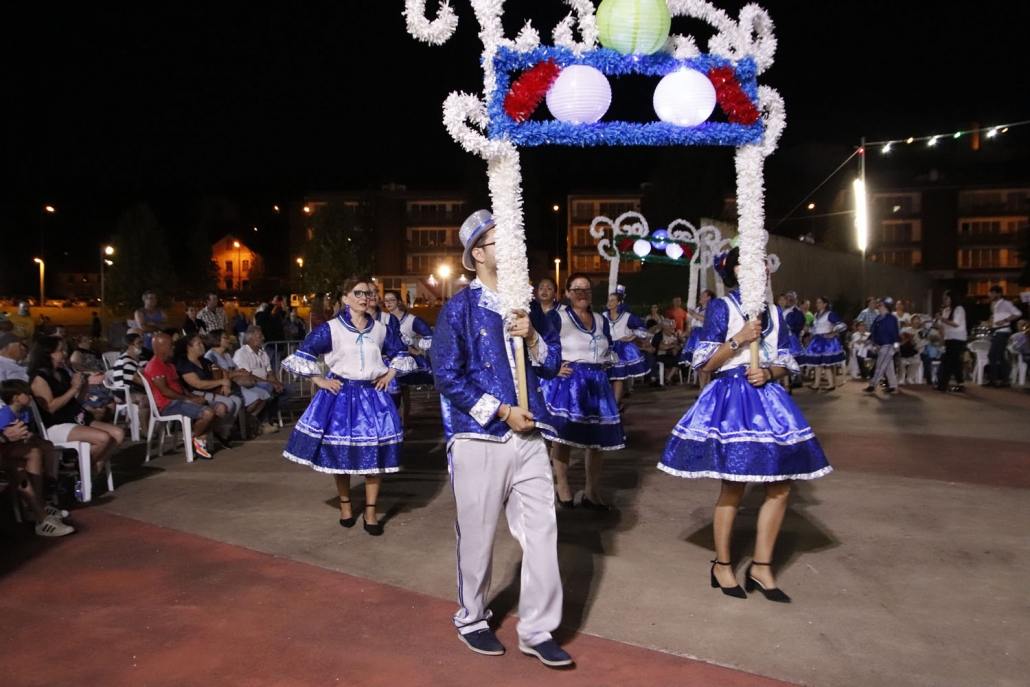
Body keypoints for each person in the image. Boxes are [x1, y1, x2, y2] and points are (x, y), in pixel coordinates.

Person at [431, 209, 571, 667]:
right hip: (478, 436)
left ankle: (537, 629)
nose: (512, 250)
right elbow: (446, 375)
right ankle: (472, 618)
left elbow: (551, 364)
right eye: (499, 242)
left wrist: (532, 338)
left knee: (543, 532)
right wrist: (502, 411)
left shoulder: (525, 305)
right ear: (477, 254)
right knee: (477, 534)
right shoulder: (459, 308)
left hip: (529, 435)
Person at [659, 248, 831, 602]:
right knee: (734, 485)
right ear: (735, 272)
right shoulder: (722, 307)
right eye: (749, 264)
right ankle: (722, 565)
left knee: (780, 486)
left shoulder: (777, 313)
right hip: (732, 400)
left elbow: (788, 361)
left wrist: (769, 372)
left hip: (769, 399)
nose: (760, 268)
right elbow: (705, 363)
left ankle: (761, 567)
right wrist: (740, 338)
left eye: (762, 264)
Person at [282, 275, 415, 536]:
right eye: (358, 293)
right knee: (340, 457)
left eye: (368, 293)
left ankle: (370, 512)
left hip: (373, 397)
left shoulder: (381, 329)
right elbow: (303, 354)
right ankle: (345, 506)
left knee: (375, 457)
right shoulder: (331, 328)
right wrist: (320, 380)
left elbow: (401, 353)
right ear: (345, 298)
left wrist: (389, 374)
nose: (364, 298)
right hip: (340, 397)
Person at [546, 273, 624, 511]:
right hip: (570, 383)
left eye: (586, 289)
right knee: (564, 437)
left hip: (597, 382)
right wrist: (553, 368)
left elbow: (609, 347)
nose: (582, 294)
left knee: (597, 441)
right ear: (567, 293)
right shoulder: (557, 317)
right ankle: (563, 487)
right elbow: (540, 345)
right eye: (576, 289)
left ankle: (592, 491)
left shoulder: (600, 319)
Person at [28, 336, 125, 475]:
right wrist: (74, 388)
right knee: (103, 438)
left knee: (118, 434)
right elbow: (50, 407)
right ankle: (83, 470)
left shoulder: (62, 372)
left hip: (74, 416)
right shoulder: (39, 378)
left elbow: (75, 401)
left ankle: (88, 471)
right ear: (49, 353)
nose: (65, 354)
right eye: (60, 350)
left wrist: (83, 386)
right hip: (56, 423)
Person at [0, 380, 73, 536]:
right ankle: (40, 512)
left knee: (34, 453)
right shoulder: (5, 414)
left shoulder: (24, 411)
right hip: (6, 450)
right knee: (25, 459)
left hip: (9, 451)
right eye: (27, 393)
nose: (31, 396)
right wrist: (6, 438)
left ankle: (38, 509)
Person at [143, 333, 217, 459]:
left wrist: (192, 397)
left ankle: (198, 440)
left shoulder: (170, 364)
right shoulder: (154, 366)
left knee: (216, 409)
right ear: (161, 347)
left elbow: (180, 387)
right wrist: (189, 399)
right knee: (208, 413)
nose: (173, 347)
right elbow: (165, 392)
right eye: (171, 345)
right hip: (167, 405)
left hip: (179, 401)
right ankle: (194, 438)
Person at [174, 334, 239, 447]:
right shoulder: (184, 363)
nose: (202, 346)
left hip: (211, 391)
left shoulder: (204, 361)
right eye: (198, 344)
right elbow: (197, 384)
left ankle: (222, 432)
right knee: (227, 403)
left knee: (237, 400)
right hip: (195, 394)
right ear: (189, 347)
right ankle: (211, 432)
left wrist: (226, 385)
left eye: (202, 343)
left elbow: (221, 370)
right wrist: (221, 382)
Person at [382, 289, 433, 427]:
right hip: (386, 362)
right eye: (386, 301)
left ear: (399, 301)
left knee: (403, 393)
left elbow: (429, 336)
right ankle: (392, 424)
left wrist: (415, 348)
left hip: (404, 362)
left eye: (392, 300)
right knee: (389, 394)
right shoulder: (383, 318)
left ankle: (403, 424)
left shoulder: (411, 320)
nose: (388, 303)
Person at [204, 329, 271, 434]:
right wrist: (236, 374)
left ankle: (244, 422)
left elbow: (234, 369)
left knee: (263, 395)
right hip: (222, 387)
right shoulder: (210, 356)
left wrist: (241, 372)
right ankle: (241, 425)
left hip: (235, 384)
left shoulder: (226, 355)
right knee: (253, 396)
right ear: (216, 340)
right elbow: (215, 375)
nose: (228, 340)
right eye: (225, 338)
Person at [234, 326, 287, 434]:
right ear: (250, 339)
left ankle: (267, 418)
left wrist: (276, 382)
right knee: (268, 388)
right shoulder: (241, 353)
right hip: (250, 384)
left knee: (286, 389)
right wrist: (270, 383)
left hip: (264, 382)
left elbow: (269, 372)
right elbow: (247, 375)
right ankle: (264, 421)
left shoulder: (263, 352)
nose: (263, 338)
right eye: (260, 336)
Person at [604, 288, 649, 407]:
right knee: (608, 377)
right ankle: (612, 403)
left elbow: (642, 329)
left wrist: (631, 336)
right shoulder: (603, 316)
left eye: (612, 300)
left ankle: (615, 405)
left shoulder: (627, 317)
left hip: (621, 349)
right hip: (606, 348)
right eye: (609, 300)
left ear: (618, 303)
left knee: (618, 377)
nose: (609, 302)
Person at [799, 297, 846, 391]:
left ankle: (831, 384)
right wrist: (807, 330)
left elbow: (842, 325)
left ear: (825, 304)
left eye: (819, 302)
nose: (817, 304)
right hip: (817, 341)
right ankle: (816, 384)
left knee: (827, 363)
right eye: (817, 302)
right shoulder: (816, 315)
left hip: (826, 342)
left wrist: (833, 333)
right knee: (818, 364)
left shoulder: (830, 314)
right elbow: (815, 329)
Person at [985, 286, 1022, 387]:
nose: (990, 295)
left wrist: (1005, 320)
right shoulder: (994, 304)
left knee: (992, 355)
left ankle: (994, 380)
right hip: (997, 331)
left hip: (1002, 331)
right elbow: (995, 317)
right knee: (1000, 356)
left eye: (992, 293)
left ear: (999, 293)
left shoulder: (1006, 303)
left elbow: (1018, 313)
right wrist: (990, 322)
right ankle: (1005, 380)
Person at [865, 298, 900, 394]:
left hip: (888, 345)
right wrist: (870, 340)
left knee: (880, 365)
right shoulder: (878, 317)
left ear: (886, 306)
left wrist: (896, 345)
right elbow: (873, 331)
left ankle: (872, 385)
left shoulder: (891, 318)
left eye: (880, 305)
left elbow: (895, 333)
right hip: (880, 345)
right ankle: (893, 386)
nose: (878, 306)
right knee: (888, 367)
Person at [935, 290, 967, 392]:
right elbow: (942, 327)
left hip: (958, 339)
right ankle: (960, 383)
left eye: (946, 298)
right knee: (954, 362)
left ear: (952, 298)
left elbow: (955, 324)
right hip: (949, 338)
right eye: (944, 299)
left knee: (948, 362)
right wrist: (942, 339)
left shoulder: (959, 309)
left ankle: (942, 385)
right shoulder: (946, 310)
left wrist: (941, 319)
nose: (944, 300)